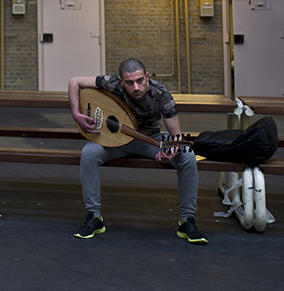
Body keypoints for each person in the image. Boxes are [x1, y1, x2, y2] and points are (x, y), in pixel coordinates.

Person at [68, 59, 207, 244]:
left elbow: (176, 137)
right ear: (120, 81)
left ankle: (187, 220)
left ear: (147, 77)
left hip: (150, 141)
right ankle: (94, 216)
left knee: (187, 156)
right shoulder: (110, 83)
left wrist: (171, 153)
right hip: (115, 142)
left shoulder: (162, 95)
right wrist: (77, 115)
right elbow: (74, 82)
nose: (136, 87)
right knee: (89, 153)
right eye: (129, 83)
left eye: (140, 80)